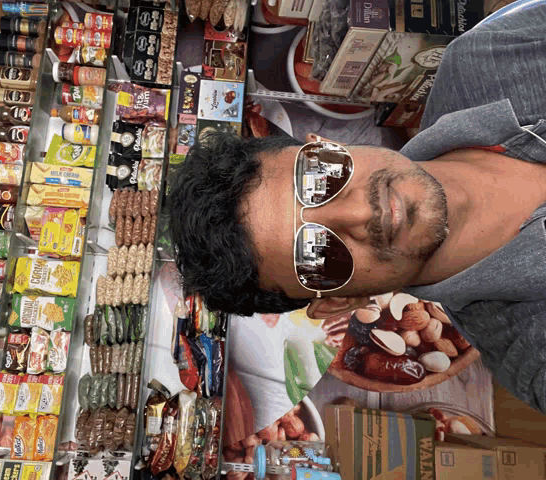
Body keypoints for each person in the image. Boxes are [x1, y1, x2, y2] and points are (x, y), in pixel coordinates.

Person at [168, 0, 546, 412]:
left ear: (323, 144)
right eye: (317, 256)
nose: (359, 214)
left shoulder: (492, 56)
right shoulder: (534, 355)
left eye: (319, 176)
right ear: (338, 303)